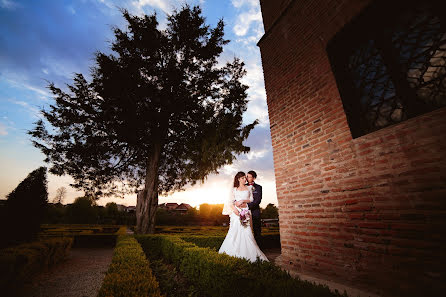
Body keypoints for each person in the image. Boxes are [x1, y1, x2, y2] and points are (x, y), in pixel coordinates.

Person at [219, 171, 269, 263]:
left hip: (245, 210)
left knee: (247, 232)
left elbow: (252, 199)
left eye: (245, 178)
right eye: (242, 178)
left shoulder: (249, 188)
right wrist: (235, 209)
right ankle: (233, 252)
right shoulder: (234, 189)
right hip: (236, 213)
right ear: (238, 179)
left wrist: (243, 201)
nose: (245, 179)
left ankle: (250, 254)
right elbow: (230, 202)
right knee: (234, 232)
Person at [240, 170, 262, 242]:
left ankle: (259, 247)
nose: (247, 178)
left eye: (249, 177)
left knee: (257, 230)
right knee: (245, 229)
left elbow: (257, 200)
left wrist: (247, 206)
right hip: (244, 211)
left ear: (254, 178)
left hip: (255, 211)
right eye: (247, 177)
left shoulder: (258, 187)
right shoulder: (243, 186)